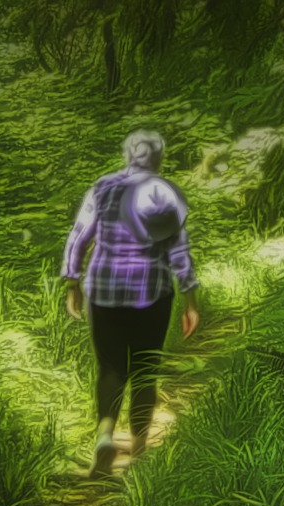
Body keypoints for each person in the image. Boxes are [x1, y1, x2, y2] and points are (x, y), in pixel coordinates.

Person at [62, 128, 201, 479]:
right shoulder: (162, 193)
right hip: (151, 292)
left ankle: (105, 436)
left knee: (110, 366)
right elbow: (178, 250)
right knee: (144, 370)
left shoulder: (104, 187)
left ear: (128, 156)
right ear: (159, 159)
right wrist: (190, 299)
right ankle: (138, 455)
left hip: (104, 289)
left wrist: (72, 282)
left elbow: (80, 235)